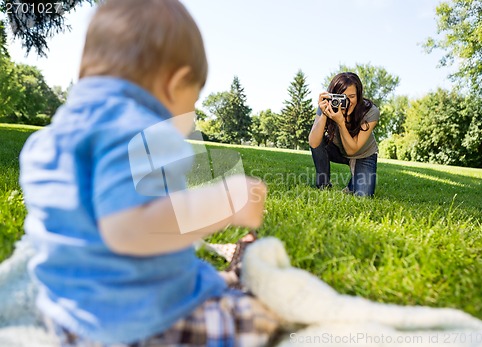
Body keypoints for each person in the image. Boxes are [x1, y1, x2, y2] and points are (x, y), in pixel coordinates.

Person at [19, 0, 279, 346]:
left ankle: (222, 278)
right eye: (194, 99)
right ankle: (237, 281)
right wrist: (228, 202)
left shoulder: (46, 140)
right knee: (265, 314)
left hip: (64, 316)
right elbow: (130, 227)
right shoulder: (142, 128)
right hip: (142, 322)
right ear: (176, 84)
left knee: (209, 280)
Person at [308, 72, 380, 196]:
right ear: (333, 96)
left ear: (359, 96)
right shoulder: (327, 104)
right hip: (338, 149)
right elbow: (314, 143)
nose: (346, 102)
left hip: (363, 154)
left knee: (363, 196)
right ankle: (323, 186)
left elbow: (352, 151)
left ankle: (353, 183)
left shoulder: (370, 111)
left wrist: (341, 122)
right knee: (319, 139)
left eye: (351, 96)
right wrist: (324, 113)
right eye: (341, 97)